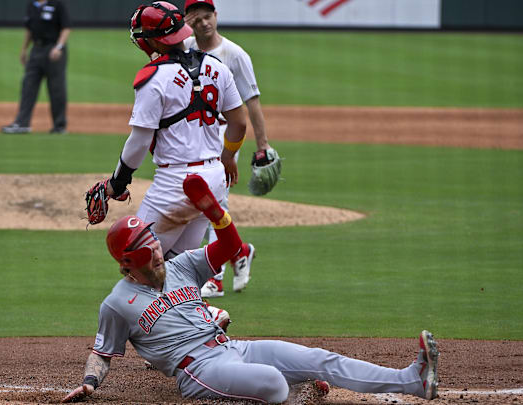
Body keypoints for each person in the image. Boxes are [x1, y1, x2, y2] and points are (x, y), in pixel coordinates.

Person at [62, 174, 440, 403]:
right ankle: (296, 393)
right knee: (275, 384)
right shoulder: (116, 303)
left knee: (320, 359)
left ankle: (412, 379)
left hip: (234, 348)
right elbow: (103, 352)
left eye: (157, 249)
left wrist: (216, 214)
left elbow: (229, 248)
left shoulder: (182, 265)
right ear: (127, 264)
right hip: (198, 371)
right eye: (150, 256)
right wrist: (89, 385)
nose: (159, 257)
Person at [88, 2, 252, 272]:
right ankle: (199, 313)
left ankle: (189, 313)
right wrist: (227, 158)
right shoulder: (217, 67)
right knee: (178, 267)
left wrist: (116, 183)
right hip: (212, 180)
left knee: (137, 264)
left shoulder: (153, 78)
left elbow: (140, 141)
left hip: (175, 187)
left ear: (154, 41)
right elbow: (239, 124)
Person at [184, 0, 275, 298]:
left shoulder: (235, 55)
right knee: (201, 203)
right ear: (188, 21)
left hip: (225, 136)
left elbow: (252, 103)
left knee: (213, 201)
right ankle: (239, 251)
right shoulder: (183, 49)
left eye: (207, 17)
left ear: (216, 16)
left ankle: (215, 277)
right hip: (193, 135)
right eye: (196, 20)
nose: (203, 24)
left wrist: (262, 145)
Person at [1, 0, 71, 135]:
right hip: (36, 50)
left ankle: (59, 126)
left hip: (53, 50)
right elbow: (29, 30)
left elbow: (66, 27)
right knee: (28, 86)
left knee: (56, 89)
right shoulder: (32, 5)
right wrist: (24, 49)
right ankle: (22, 123)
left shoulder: (57, 4)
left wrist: (59, 47)